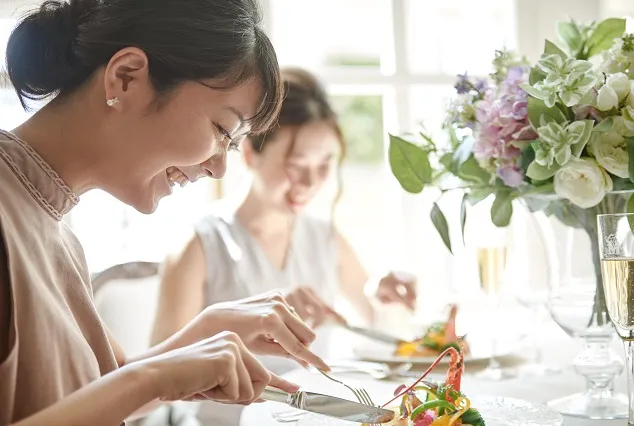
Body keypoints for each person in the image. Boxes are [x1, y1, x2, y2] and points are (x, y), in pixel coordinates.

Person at [0, 1, 330, 425]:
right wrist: (155, 377)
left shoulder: (56, 228)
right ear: (127, 77)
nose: (218, 167)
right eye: (221, 130)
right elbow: (126, 387)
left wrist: (205, 331)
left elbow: (98, 396)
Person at [151, 67, 418, 424]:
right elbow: (156, 380)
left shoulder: (325, 239)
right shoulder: (200, 245)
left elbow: (388, 343)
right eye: (296, 165)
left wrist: (386, 302)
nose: (310, 182)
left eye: (325, 165)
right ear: (249, 154)